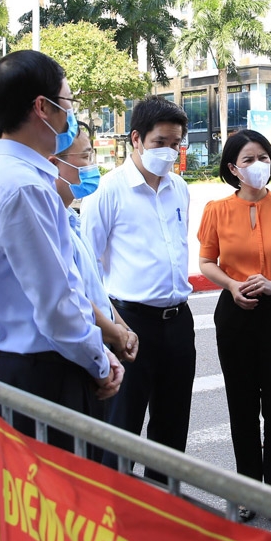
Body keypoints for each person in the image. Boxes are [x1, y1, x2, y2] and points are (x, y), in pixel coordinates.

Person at [0, 50, 123, 452]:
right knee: (68, 504)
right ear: (43, 107)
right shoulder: (27, 188)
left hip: (17, 369)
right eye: (67, 103)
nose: (70, 115)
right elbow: (58, 304)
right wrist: (100, 363)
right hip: (48, 378)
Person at [197, 129, 271, 522]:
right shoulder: (216, 209)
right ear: (233, 168)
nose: (257, 165)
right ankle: (249, 487)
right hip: (234, 314)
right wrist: (232, 285)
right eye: (248, 160)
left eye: (263, 157)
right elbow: (207, 261)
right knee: (241, 402)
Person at [81, 95, 195, 483]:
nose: (169, 151)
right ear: (136, 139)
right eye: (160, 142)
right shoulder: (108, 191)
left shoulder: (179, 188)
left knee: (171, 426)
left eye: (176, 143)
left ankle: (163, 509)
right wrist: (109, 327)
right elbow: (88, 267)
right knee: (122, 428)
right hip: (129, 323)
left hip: (178, 321)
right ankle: (117, 515)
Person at [48, 121, 139, 367]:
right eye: (86, 157)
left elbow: (95, 290)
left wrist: (123, 327)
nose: (93, 166)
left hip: (98, 348)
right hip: (72, 359)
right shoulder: (50, 226)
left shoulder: (71, 220)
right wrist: (117, 334)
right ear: (54, 164)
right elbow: (70, 296)